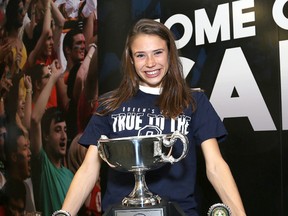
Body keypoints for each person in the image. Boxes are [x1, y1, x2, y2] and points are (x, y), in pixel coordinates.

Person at [58, 19, 246, 216]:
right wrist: (64, 213)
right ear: (130, 59)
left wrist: (240, 214)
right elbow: (89, 169)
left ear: (170, 54)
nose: (150, 63)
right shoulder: (110, 104)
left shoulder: (193, 101)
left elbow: (215, 165)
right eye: (141, 55)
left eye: (158, 52)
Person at [30, 60, 73, 216]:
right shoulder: (42, 165)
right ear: (46, 136)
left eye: (65, 130)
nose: (63, 136)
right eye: (57, 130)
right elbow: (35, 119)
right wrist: (54, 77)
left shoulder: (70, 176)